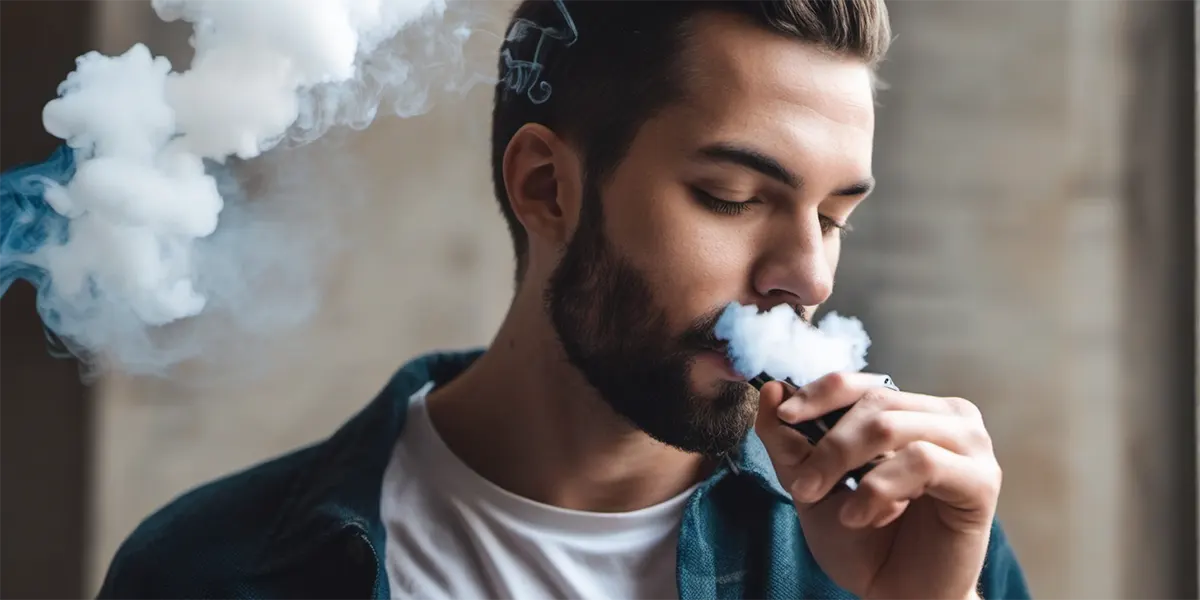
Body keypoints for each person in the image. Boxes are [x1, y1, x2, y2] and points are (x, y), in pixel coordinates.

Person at [96, 0, 1032, 598]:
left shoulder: (913, 548)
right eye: (734, 198)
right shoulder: (209, 573)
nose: (810, 278)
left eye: (833, 216)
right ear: (547, 187)